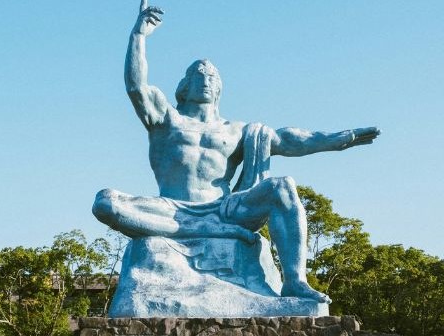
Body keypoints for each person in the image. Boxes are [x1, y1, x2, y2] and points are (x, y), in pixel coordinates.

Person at [92, 2, 380, 304]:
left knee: (283, 187)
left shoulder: (238, 131)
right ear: (184, 86)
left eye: (213, 77)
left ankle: (295, 281)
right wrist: (138, 35)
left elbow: (292, 140)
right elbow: (137, 87)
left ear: (220, 89)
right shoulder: (167, 120)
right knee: (105, 203)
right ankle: (205, 229)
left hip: (225, 209)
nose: (206, 80)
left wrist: (340, 138)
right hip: (170, 208)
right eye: (199, 75)